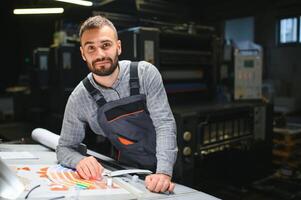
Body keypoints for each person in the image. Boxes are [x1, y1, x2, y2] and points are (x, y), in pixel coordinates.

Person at [56, 15, 178, 193]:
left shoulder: (145, 73)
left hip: (167, 166)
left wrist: (164, 172)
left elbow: (164, 123)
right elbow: (64, 148)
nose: (100, 55)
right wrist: (79, 160)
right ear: (83, 54)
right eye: (91, 48)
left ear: (118, 47)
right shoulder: (79, 98)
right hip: (126, 172)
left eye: (106, 45)